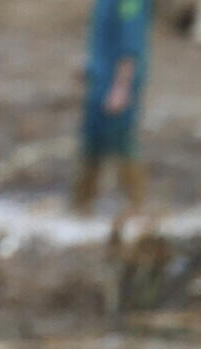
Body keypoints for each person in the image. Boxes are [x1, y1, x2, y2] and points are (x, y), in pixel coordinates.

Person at [72, 0, 150, 215]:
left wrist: (122, 87)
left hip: (116, 86)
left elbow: (130, 45)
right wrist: (89, 66)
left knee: (122, 143)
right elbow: (104, 37)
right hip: (100, 81)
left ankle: (136, 205)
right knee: (92, 143)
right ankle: (81, 204)